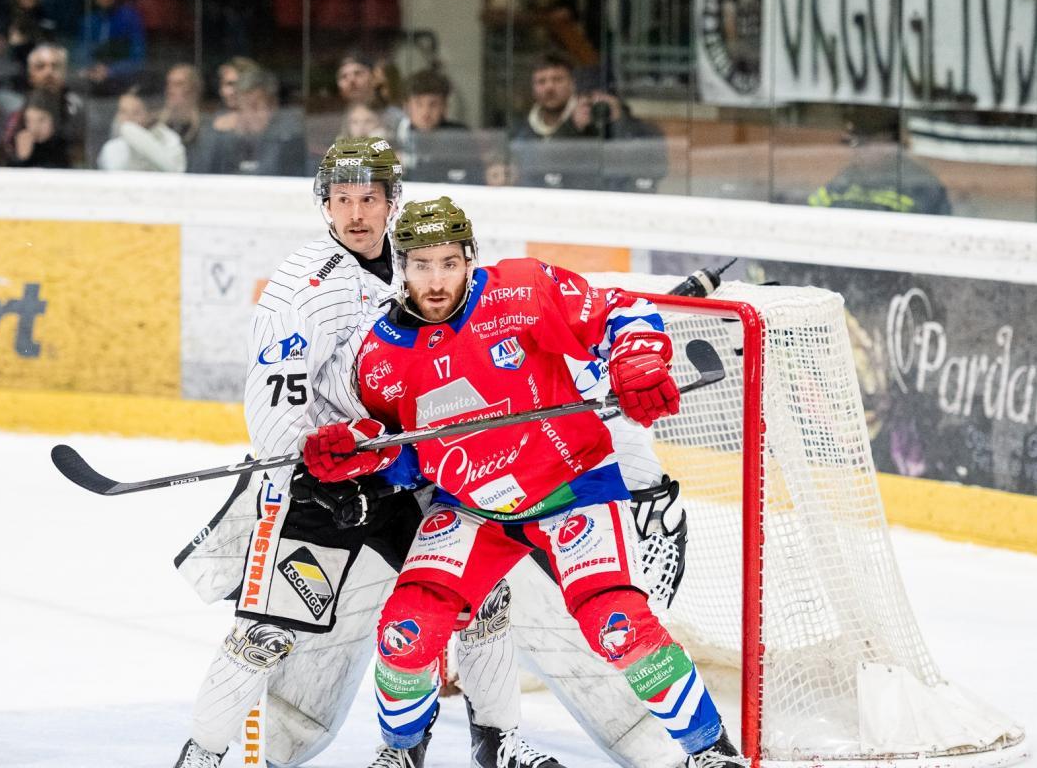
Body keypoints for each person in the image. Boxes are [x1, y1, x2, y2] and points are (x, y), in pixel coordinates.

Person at [301, 197, 747, 767]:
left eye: (448, 263)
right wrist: (355, 456)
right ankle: (403, 752)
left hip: (571, 488)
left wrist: (636, 361)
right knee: (406, 631)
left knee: (617, 625)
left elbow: (624, 312)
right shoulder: (380, 354)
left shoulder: (521, 290)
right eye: (421, 265)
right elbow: (403, 453)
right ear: (401, 267)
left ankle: (710, 750)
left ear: (470, 258)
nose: (435, 281)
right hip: (472, 508)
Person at [172, 137, 564, 768]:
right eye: (342, 199)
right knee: (265, 635)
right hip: (321, 482)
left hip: (405, 477)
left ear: (392, 201)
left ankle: (495, 742)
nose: (356, 213)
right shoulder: (306, 285)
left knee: (482, 600)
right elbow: (273, 396)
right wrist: (306, 474)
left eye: (369, 198)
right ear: (325, 204)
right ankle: (202, 756)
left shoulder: (414, 267)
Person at [508, 52, 667, 192]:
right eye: (541, 82)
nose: (549, 87)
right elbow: (542, 169)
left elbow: (651, 166)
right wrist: (573, 126)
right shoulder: (520, 130)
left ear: (572, 85)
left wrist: (620, 121)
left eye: (558, 79)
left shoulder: (638, 129)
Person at [805, 119, 952, 215]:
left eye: (865, 143)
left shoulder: (921, 183)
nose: (858, 151)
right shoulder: (848, 176)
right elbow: (812, 211)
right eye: (855, 144)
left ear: (888, 143)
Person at [187, 66, 306, 177]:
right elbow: (201, 175)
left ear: (272, 106)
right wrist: (216, 137)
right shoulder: (222, 137)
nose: (247, 115)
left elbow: (267, 176)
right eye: (242, 107)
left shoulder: (287, 137)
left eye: (255, 107)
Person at [396, 68, 485, 185]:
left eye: (433, 104)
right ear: (406, 106)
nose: (425, 112)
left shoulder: (459, 136)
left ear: (444, 107)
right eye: (418, 104)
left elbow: (476, 176)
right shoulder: (398, 136)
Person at [0, 42, 83, 162]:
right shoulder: (15, 107)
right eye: (40, 66)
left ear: (64, 73)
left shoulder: (76, 108)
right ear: (30, 74)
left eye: (55, 66)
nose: (48, 72)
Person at [77, 0, 147, 94]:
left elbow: (138, 59)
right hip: (92, 84)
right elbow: (81, 55)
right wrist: (91, 68)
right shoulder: (88, 21)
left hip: (123, 85)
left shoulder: (130, 18)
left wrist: (110, 71)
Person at [96, 85, 185, 171]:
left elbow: (175, 170)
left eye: (136, 113)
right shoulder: (111, 148)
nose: (128, 119)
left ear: (150, 115)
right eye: (123, 111)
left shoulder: (170, 140)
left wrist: (130, 131)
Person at [6, 89, 70, 167]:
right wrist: (20, 158)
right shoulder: (19, 141)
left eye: (41, 120)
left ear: (55, 120)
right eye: (28, 120)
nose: (34, 128)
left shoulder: (66, 145)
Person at [159, 63, 204, 147]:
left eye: (178, 84)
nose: (170, 90)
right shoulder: (155, 124)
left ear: (194, 89)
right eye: (169, 84)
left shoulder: (207, 127)